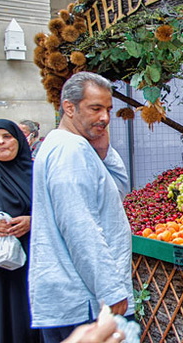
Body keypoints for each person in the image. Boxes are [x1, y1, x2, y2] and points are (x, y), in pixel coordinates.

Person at [29, 71, 134, 342]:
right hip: (84, 299)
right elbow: (80, 226)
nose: (105, 118)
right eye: (95, 108)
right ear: (69, 107)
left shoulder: (74, 146)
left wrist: (103, 151)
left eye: (109, 109)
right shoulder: (70, 150)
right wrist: (111, 290)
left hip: (82, 297)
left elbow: (116, 191)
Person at [0, 119, 40, 343]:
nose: (1, 142)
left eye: (7, 136)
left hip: (36, 260)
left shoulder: (37, 172)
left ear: (19, 140)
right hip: (0, 268)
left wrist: (33, 220)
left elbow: (58, 210)